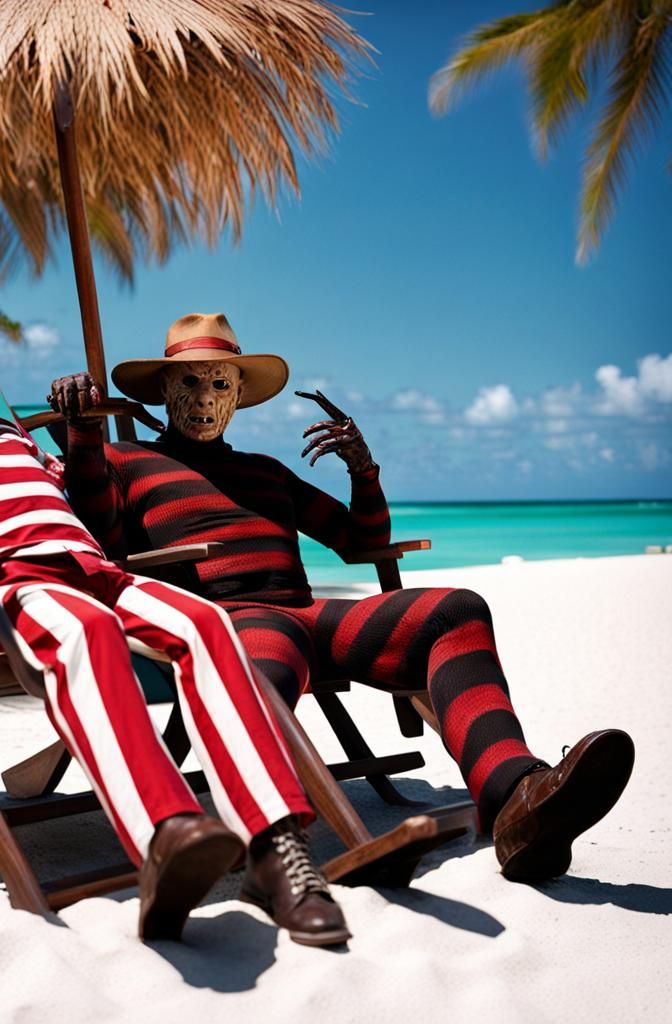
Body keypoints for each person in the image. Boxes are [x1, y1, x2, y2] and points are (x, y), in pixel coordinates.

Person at [0, 287, 350, 947]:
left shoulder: (0, 430)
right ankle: (164, 832)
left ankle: (275, 851)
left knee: (208, 625)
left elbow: (86, 492)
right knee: (84, 632)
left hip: (101, 572)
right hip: (6, 587)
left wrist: (87, 424)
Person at [52, 312, 635, 883]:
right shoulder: (125, 461)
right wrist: (82, 432)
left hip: (309, 617)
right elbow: (98, 536)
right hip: (227, 619)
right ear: (162, 388)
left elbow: (361, 541)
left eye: (219, 383)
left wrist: (363, 469)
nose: (205, 396)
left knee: (457, 608)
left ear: (237, 397)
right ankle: (275, 843)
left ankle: (519, 796)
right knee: (264, 654)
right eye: (190, 380)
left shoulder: (267, 471)